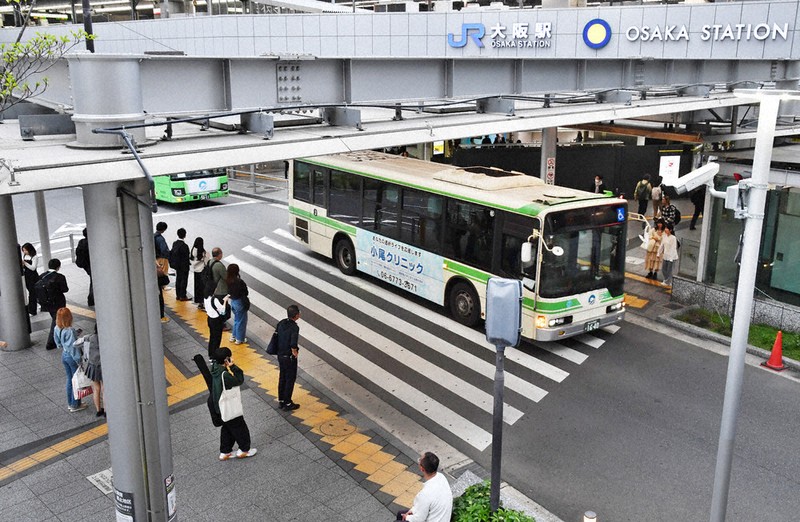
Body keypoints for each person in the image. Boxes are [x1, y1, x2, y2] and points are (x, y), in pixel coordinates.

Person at [210, 347, 257, 461]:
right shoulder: (224, 374)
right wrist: (233, 366)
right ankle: (244, 450)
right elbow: (239, 380)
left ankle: (225, 452)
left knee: (227, 428)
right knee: (240, 427)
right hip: (229, 407)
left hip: (220, 407)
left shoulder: (215, 369)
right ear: (226, 359)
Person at [397, 452, 453, 522]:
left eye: (419, 460)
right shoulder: (441, 477)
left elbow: (419, 519)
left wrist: (407, 517)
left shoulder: (425, 494)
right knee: (400, 514)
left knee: (400, 517)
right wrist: (412, 511)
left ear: (422, 468)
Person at [54, 307, 87, 412]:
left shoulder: (56, 328)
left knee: (69, 380)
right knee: (76, 380)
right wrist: (79, 360)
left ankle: (71, 403)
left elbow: (58, 343)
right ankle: (75, 405)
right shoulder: (70, 330)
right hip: (72, 357)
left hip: (64, 355)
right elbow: (73, 348)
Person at [276, 304, 301, 411]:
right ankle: (288, 402)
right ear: (296, 315)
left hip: (280, 354)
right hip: (289, 357)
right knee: (290, 379)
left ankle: (281, 400)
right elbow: (293, 343)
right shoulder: (294, 327)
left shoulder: (281, 323)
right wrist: (294, 352)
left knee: (282, 377)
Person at [41, 259, 69, 351]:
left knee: (56, 319)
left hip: (46, 302)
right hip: (58, 302)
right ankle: (51, 342)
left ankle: (59, 337)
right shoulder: (60, 277)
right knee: (56, 320)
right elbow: (65, 289)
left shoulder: (42, 276)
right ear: (58, 267)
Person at [80, 325, 105, 417]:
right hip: (102, 366)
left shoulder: (89, 338)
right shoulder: (105, 339)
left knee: (96, 389)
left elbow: (79, 347)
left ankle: (98, 410)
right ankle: (106, 411)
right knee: (104, 389)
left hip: (92, 366)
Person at [225, 264, 249, 345]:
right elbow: (245, 292)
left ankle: (234, 336)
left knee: (236, 320)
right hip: (240, 302)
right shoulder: (239, 282)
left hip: (233, 301)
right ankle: (239, 338)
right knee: (241, 321)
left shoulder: (227, 280)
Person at [154, 222, 170, 323]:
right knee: (162, 274)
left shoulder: (153, 236)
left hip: (156, 258)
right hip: (161, 259)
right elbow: (164, 250)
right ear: (163, 229)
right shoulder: (160, 239)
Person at [205, 294, 230, 358]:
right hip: (216, 321)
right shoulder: (214, 299)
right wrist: (225, 301)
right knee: (217, 339)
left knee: (212, 337)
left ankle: (210, 354)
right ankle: (215, 355)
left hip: (210, 319)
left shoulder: (206, 298)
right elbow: (222, 311)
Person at [170, 228, 191, 301]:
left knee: (178, 279)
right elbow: (187, 256)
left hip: (177, 265)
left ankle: (178, 295)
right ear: (185, 235)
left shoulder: (175, 243)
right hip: (184, 266)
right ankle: (183, 295)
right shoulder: (185, 246)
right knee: (184, 280)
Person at [74, 228, 94, 306]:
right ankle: (91, 299)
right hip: (91, 264)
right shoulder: (92, 242)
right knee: (94, 281)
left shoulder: (81, 242)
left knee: (93, 279)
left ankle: (91, 299)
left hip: (85, 264)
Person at [21, 243, 40, 315]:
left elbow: (33, 268)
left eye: (25, 250)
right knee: (33, 292)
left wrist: (25, 263)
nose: (24, 252)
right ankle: (41, 303)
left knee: (32, 294)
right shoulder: (25, 256)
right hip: (27, 276)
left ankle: (32, 310)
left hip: (33, 277)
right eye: (23, 250)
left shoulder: (34, 257)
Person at [191, 237, 209, 309]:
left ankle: (199, 302)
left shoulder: (193, 250)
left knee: (197, 287)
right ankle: (203, 302)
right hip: (202, 271)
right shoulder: (202, 252)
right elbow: (206, 262)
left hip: (195, 271)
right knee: (203, 287)